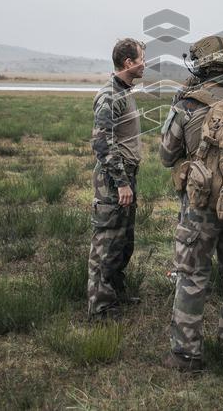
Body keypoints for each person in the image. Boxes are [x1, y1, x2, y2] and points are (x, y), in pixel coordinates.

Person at [159, 35, 223, 372]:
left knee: (192, 276)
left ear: (201, 65)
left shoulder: (188, 105)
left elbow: (166, 155)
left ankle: (186, 356)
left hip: (199, 207)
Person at [87, 38, 145, 321]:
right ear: (129, 63)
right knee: (106, 243)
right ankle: (100, 308)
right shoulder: (109, 95)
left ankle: (115, 294)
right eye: (142, 58)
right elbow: (102, 143)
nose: (145, 64)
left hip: (125, 176)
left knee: (123, 242)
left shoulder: (125, 92)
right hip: (113, 180)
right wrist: (121, 182)